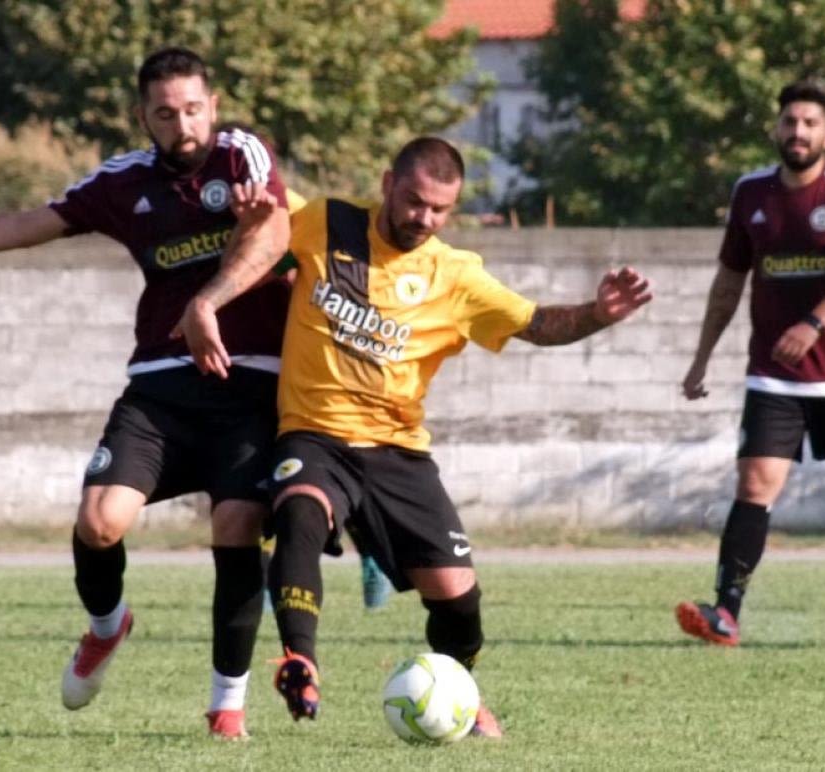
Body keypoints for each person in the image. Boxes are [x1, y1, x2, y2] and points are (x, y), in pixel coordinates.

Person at [0, 47, 292, 738]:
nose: (183, 125)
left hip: (248, 385)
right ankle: (107, 626)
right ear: (142, 117)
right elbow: (26, 224)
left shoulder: (242, 158)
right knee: (99, 522)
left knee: (235, 523)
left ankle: (225, 705)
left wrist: (210, 296)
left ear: (213, 105)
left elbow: (275, 232)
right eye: (166, 113)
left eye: (193, 109)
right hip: (161, 389)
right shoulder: (124, 182)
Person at [200, 136, 653, 735]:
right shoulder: (325, 221)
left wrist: (597, 314)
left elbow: (536, 322)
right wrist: (248, 215)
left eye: (440, 209)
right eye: (415, 201)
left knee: (458, 598)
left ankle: (460, 690)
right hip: (315, 434)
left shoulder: (456, 275)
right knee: (300, 513)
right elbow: (263, 227)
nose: (425, 217)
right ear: (388, 185)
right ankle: (300, 661)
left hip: (398, 451)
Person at [675, 80, 825, 647]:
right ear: (776, 130)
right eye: (789, 122)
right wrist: (701, 358)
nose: (798, 131)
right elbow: (729, 281)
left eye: (809, 123)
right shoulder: (751, 193)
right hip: (774, 375)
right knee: (755, 483)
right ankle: (726, 614)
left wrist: (813, 324)